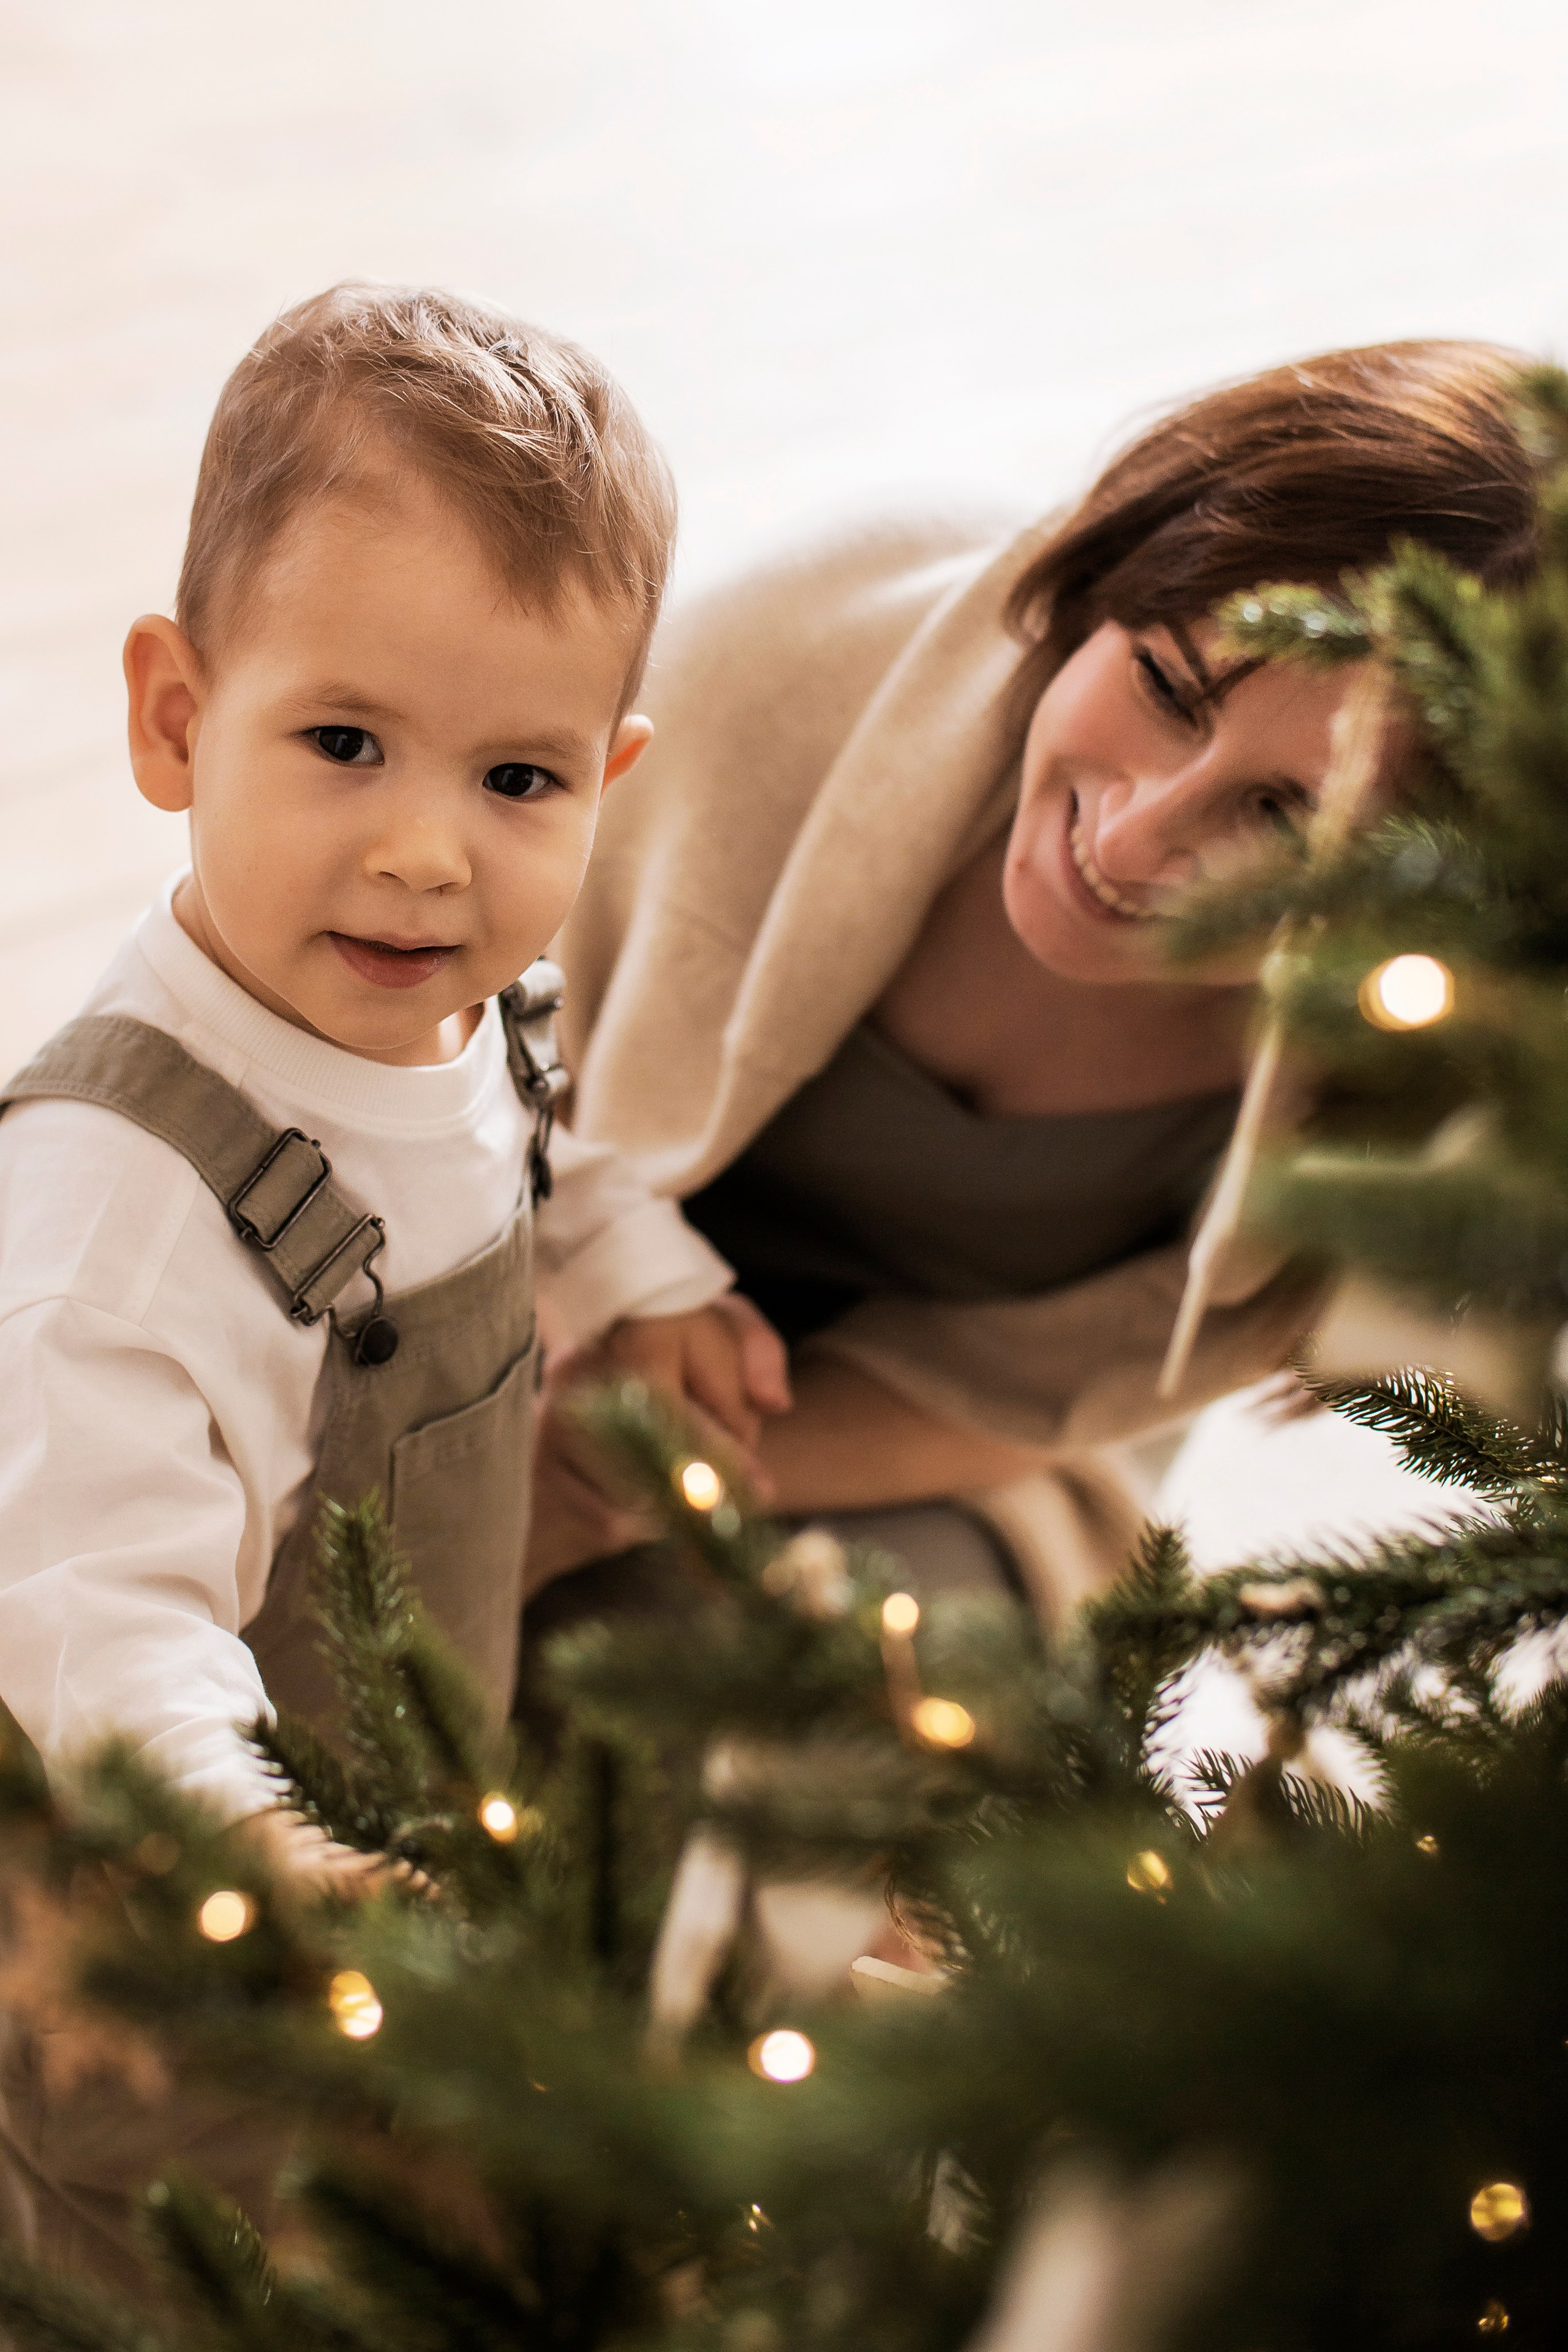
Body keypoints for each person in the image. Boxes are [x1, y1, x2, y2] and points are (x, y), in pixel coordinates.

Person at [0, 281, 782, 2282]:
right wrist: (301, 1884)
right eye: (344, 744)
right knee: (197, 2267)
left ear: (608, 774)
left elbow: (533, 1127)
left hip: (403, 1808)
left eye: (518, 783)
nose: (431, 855)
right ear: (177, 720)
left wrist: (647, 1262)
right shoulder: (113, 1214)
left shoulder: (455, 1006)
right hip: (180, 1937)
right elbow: (90, 1636)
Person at [528, 340, 1540, 1627]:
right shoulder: (812, 639)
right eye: (1166, 688)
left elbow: (1033, 1403)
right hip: (487, 1238)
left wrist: (626, 1478)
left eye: (1288, 818)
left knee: (872, 1691)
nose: (1128, 841)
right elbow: (408, 1025)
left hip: (919, 1458)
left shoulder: (1396, 1073)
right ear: (1101, 575)